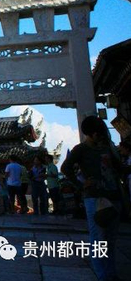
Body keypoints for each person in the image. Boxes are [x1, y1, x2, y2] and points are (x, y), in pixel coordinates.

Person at [61, 116, 128, 281]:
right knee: (98, 237)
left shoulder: (108, 148)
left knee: (111, 239)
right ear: (92, 134)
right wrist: (81, 184)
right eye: (99, 134)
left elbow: (120, 168)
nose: (102, 136)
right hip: (95, 197)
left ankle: (111, 273)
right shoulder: (81, 149)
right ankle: (103, 275)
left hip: (113, 195)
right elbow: (65, 167)